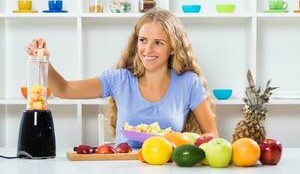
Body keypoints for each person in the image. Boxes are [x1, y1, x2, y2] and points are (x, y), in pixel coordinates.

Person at [26, 8, 218, 148]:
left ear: (173, 47)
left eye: (158, 43)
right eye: (143, 41)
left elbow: (212, 134)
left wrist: (185, 141)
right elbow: (64, 90)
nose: (148, 50)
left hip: (168, 167)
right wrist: (42, 60)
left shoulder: (188, 83)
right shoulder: (119, 80)